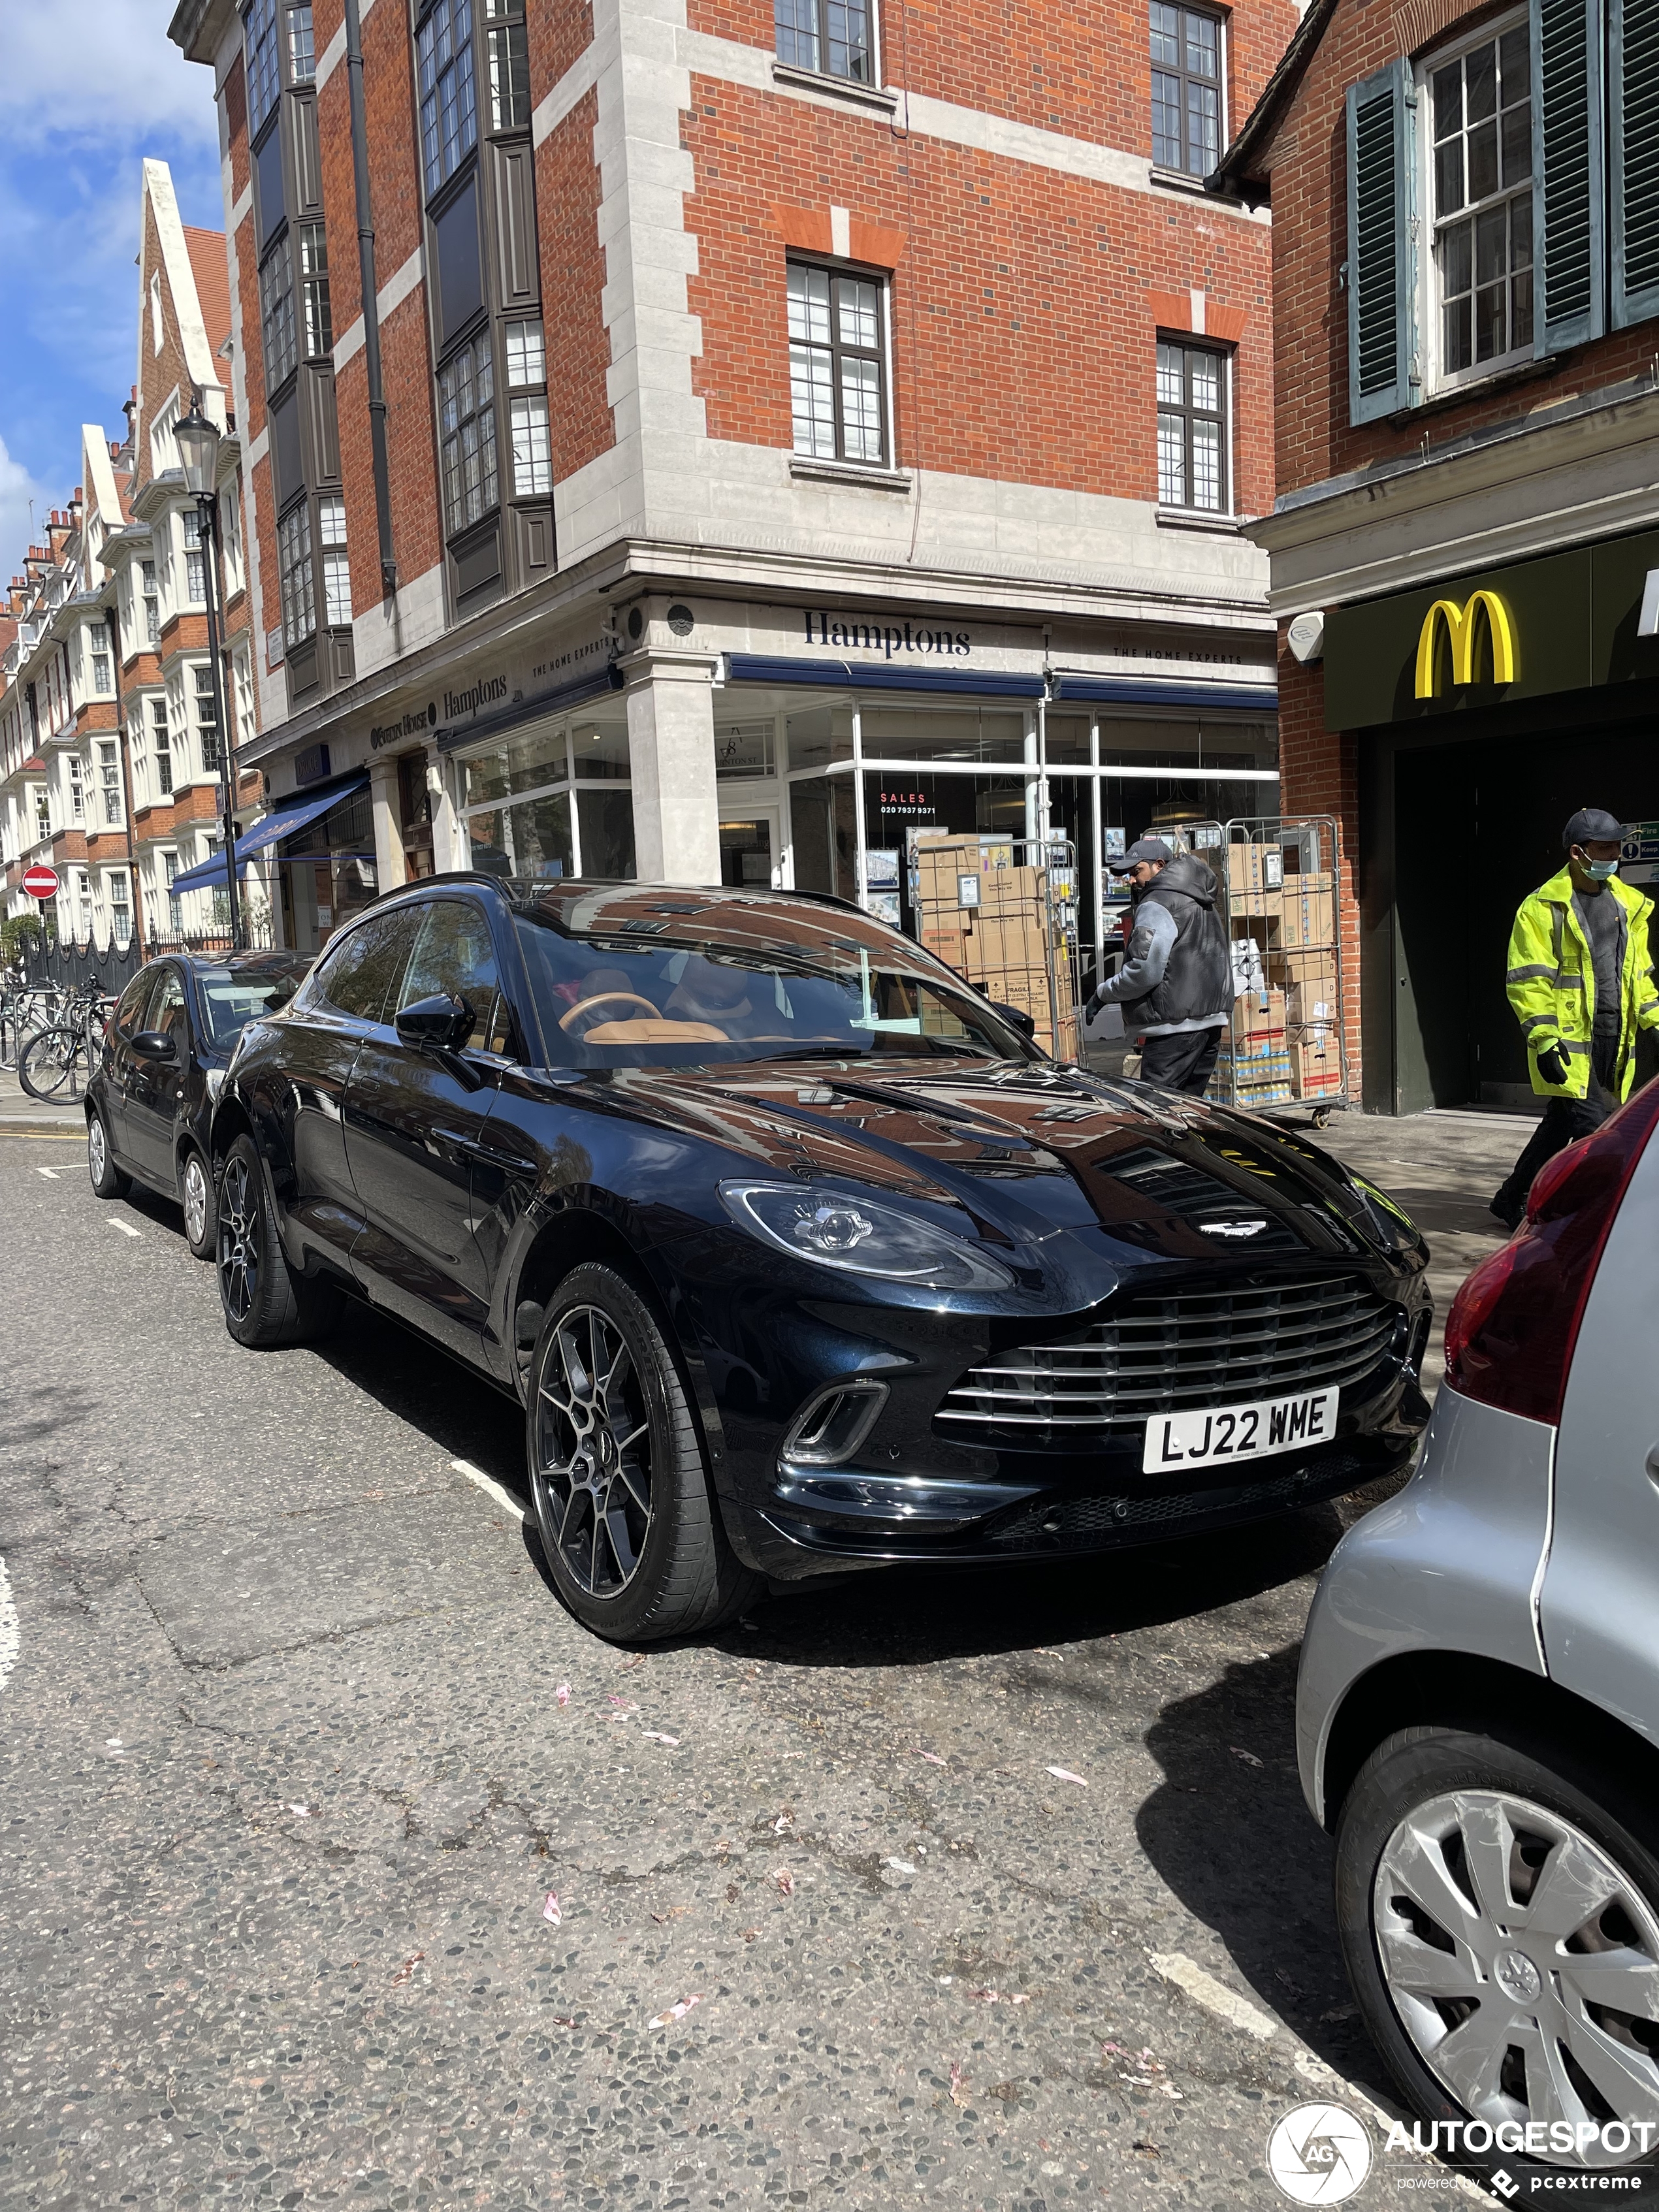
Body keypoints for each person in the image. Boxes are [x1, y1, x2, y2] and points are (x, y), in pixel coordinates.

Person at [1489, 807, 1659, 1228]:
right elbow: (1529, 980)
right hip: (1567, 1042)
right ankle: (1592, 1218)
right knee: (1594, 1130)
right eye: (1606, 847)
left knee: (1559, 1122)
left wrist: (1656, 1021)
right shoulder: (1542, 907)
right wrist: (1545, 1039)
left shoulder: (1628, 905)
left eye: (1618, 846)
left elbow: (1639, 976)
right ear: (1578, 853)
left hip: (1613, 1035)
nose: (1615, 854)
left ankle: (1512, 1196)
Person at [1086, 837, 1232, 1095]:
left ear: (1160, 866)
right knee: (1190, 1111)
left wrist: (1103, 993)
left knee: (1157, 1113)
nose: (1131, 880)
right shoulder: (1201, 897)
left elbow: (1144, 972)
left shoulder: (1157, 903)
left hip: (1172, 1029)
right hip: (1209, 1023)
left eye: (1136, 871)